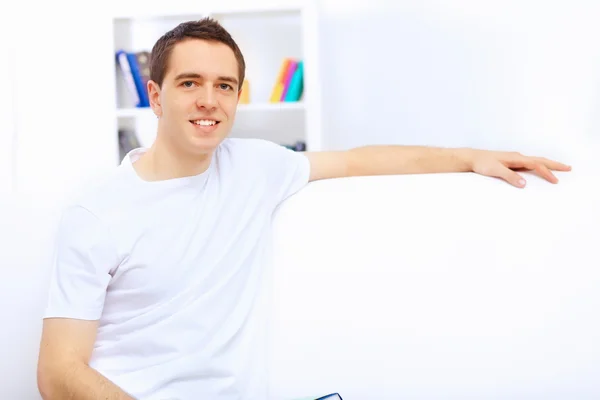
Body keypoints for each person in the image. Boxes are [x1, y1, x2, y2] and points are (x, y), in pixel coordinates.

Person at [36, 17, 571, 400]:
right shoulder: (97, 211)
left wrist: (469, 157)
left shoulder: (254, 167)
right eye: (189, 83)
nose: (209, 100)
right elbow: (58, 371)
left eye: (224, 86)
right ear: (154, 96)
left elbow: (360, 161)